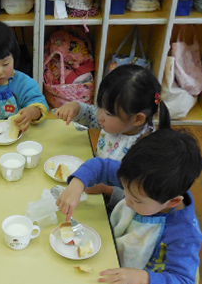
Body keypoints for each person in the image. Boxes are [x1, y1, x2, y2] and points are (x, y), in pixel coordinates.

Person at [23, 129, 202, 284]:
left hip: (130, 283)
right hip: (114, 240)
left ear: (173, 202)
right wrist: (76, 185)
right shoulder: (141, 179)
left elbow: (183, 281)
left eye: (136, 200)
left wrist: (140, 278)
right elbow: (100, 166)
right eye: (125, 189)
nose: (127, 200)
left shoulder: (183, 234)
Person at [55, 64, 170, 207]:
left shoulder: (144, 151)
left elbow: (141, 198)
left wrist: (107, 190)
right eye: (100, 107)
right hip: (92, 183)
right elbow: (91, 114)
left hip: (114, 209)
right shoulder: (116, 124)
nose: (100, 116)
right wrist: (76, 108)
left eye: (108, 113)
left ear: (138, 119)